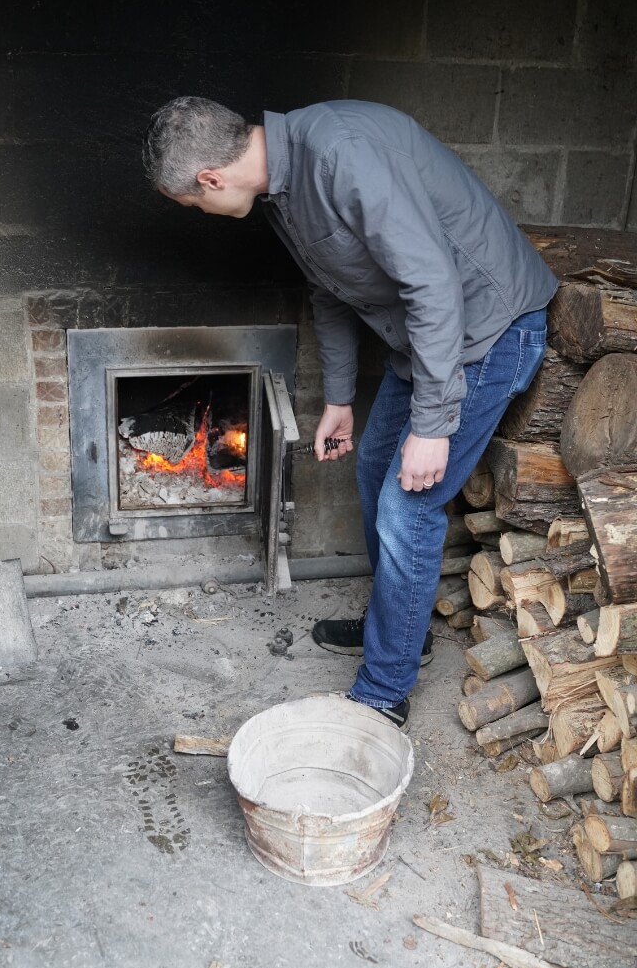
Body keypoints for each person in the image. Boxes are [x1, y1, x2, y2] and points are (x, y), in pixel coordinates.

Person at [142, 96, 558, 731]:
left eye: (194, 205)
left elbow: (434, 285)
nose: (204, 215)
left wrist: (432, 425)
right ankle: (402, 629)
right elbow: (328, 289)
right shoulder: (283, 188)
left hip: (488, 331)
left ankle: (384, 690)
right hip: (429, 339)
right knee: (372, 466)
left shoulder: (339, 155)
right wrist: (339, 397)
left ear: (210, 179)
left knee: (409, 503)